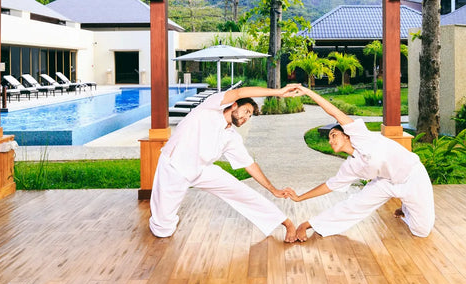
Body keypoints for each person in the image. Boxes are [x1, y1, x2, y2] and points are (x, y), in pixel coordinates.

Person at [149, 83, 302, 241]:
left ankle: (286, 223)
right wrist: (278, 92)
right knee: (163, 229)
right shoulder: (210, 108)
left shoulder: (231, 137)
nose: (246, 118)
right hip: (175, 167)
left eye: (250, 117)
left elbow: (250, 165)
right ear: (234, 105)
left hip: (202, 170)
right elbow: (239, 92)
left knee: (242, 191)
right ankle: (159, 220)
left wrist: (273, 189)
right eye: (246, 111)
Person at [286, 84, 434, 242]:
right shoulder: (350, 166)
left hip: (412, 175)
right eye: (329, 138)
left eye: (333, 135)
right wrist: (300, 198)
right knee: (354, 205)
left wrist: (307, 92)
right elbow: (328, 186)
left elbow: (333, 111)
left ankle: (406, 208)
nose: (330, 141)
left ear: (346, 135)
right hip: (386, 182)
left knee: (422, 230)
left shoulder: (360, 136)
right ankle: (308, 225)